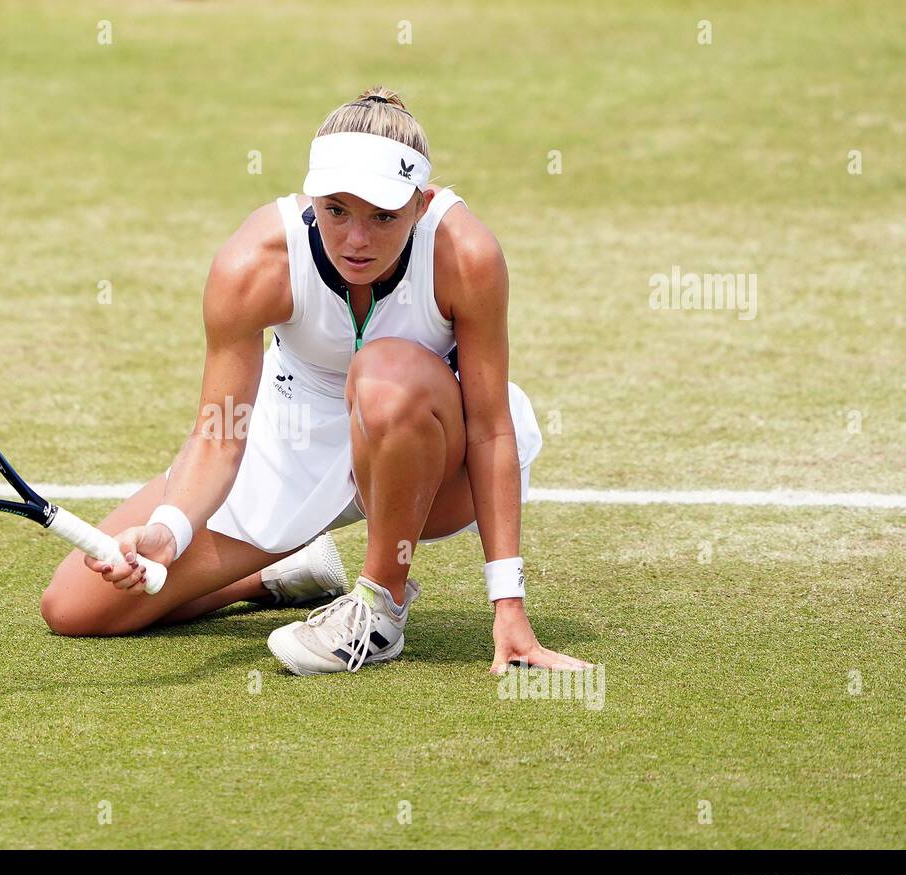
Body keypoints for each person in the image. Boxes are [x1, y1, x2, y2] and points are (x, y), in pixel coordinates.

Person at [40, 85, 590, 677]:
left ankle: (380, 608)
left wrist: (509, 605)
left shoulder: (467, 255)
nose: (357, 240)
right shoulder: (254, 263)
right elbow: (221, 431)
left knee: (384, 372)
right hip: (292, 432)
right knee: (74, 607)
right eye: (336, 210)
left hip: (426, 452)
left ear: (422, 203)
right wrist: (172, 528)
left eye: (383, 216)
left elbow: (488, 428)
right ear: (310, 196)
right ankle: (278, 575)